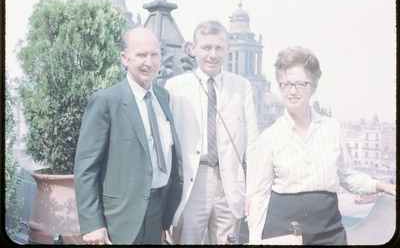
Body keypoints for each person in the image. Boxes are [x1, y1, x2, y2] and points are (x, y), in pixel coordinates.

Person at [246, 46, 396, 245]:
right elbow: (259, 198)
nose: (292, 91)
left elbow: (348, 176)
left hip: (329, 234)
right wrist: (255, 241)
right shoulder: (269, 138)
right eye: (285, 84)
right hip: (283, 236)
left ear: (314, 87)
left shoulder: (332, 128)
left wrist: (381, 185)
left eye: (301, 84)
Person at [74, 28, 183, 245]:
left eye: (155, 55)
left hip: (156, 214)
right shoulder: (106, 101)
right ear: (124, 58)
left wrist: (165, 217)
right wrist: (93, 225)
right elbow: (86, 168)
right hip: (118, 220)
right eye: (141, 55)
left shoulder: (163, 97)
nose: (149, 62)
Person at [164, 19, 259, 244]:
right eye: (206, 48)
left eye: (219, 48)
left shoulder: (242, 86)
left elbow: (253, 145)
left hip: (229, 185)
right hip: (192, 182)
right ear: (193, 48)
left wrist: (251, 192)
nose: (212, 55)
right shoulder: (175, 87)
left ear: (228, 49)